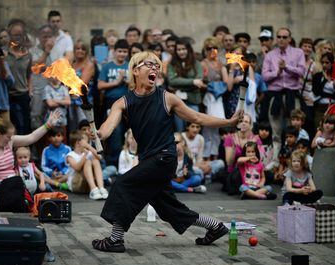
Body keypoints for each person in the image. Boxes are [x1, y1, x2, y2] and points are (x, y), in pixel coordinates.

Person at [91, 51, 241, 253]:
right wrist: (99, 134)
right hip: (149, 159)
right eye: (149, 65)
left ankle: (115, 240)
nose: (154, 68)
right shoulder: (123, 102)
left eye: (156, 65)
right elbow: (108, 127)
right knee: (168, 208)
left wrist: (229, 122)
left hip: (164, 157)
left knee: (122, 185)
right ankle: (215, 226)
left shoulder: (167, 98)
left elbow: (197, 118)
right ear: (135, 71)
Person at [0, 110, 61, 207]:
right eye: (8, 137)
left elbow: (31, 137)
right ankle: (6, 201)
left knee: (31, 184)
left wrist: (48, 125)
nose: (10, 139)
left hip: (10, 183)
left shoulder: (10, 141)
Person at [262, 27, 306, 160]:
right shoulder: (270, 55)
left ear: (290, 39)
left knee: (294, 130)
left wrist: (286, 67)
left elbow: (301, 71)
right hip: (275, 96)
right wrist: (277, 72)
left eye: (284, 37)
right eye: (279, 37)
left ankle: (296, 160)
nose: (281, 39)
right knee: (276, 132)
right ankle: (276, 161)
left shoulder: (298, 53)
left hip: (292, 94)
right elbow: (264, 76)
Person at [98, 39, 129, 165]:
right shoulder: (107, 66)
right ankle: (113, 162)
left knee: (128, 131)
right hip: (111, 101)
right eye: (120, 51)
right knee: (114, 131)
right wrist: (116, 82)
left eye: (124, 51)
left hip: (128, 101)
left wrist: (127, 81)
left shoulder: (130, 66)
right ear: (115, 52)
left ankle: (127, 161)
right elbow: (99, 85)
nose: (122, 54)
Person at [168, 39, 206, 131]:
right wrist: (192, 82)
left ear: (188, 49)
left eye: (183, 49)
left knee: (194, 129)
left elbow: (199, 81)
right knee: (180, 129)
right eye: (179, 49)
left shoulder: (196, 63)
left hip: (193, 100)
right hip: (178, 101)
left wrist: (179, 83)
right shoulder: (172, 64)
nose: (181, 52)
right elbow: (172, 81)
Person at [201, 37, 229, 160]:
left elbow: (227, 83)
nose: (212, 50)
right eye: (209, 48)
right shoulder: (202, 64)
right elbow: (200, 81)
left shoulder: (221, 64)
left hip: (218, 98)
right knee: (207, 128)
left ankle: (216, 156)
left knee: (217, 129)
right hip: (207, 97)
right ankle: (206, 157)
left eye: (215, 48)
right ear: (205, 50)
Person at [6, 20, 32, 135]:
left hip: (23, 95)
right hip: (7, 95)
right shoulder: (4, 53)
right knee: (10, 126)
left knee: (25, 125)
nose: (18, 37)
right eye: (15, 35)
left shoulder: (27, 55)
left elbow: (29, 74)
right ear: (10, 36)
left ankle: (25, 150)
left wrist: (30, 90)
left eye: (20, 35)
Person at [66, 131, 108, 199]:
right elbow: (77, 168)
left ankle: (101, 188)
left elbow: (100, 157)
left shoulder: (88, 152)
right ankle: (93, 189)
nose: (87, 143)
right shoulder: (70, 155)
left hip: (86, 185)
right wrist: (85, 155)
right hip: (76, 184)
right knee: (88, 161)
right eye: (86, 142)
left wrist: (89, 147)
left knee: (95, 160)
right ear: (78, 143)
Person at [69, 40, 95, 131]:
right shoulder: (72, 64)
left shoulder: (89, 65)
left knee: (84, 128)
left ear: (86, 51)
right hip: (71, 101)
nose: (80, 51)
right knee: (73, 129)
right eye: (77, 48)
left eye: (83, 49)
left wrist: (67, 81)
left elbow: (81, 84)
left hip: (84, 101)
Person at [313, 52, 335, 127]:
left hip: (334, 107)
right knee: (318, 127)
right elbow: (316, 91)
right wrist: (325, 80)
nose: (324, 65)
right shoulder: (318, 76)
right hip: (320, 107)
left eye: (327, 62)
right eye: (322, 62)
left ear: (332, 63)